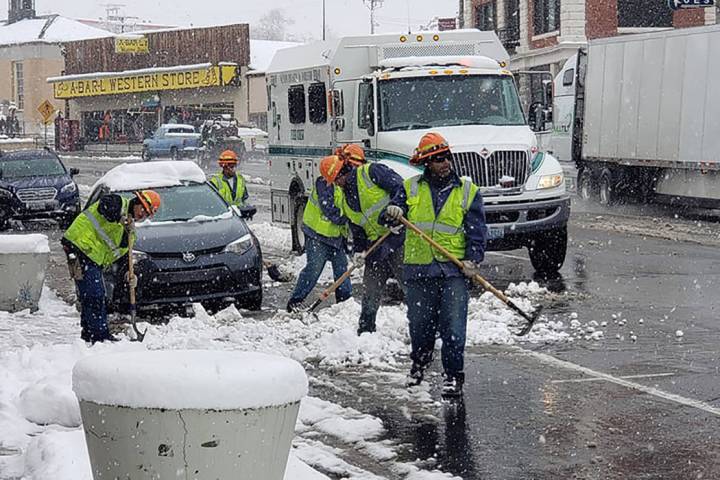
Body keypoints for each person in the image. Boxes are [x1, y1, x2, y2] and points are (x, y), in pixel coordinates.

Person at [384, 132, 487, 397]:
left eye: (446, 158)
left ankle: (453, 376)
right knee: (420, 326)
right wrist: (394, 213)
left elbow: (477, 230)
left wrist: (473, 260)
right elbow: (393, 215)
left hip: (452, 271)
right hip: (418, 271)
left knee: (453, 328)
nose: (444, 163)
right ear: (427, 163)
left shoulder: (467, 191)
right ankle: (419, 363)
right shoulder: (410, 188)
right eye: (438, 159)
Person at [321, 144, 406, 336]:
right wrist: (358, 251)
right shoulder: (344, 199)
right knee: (371, 292)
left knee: (411, 287)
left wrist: (397, 211)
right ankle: (366, 332)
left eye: (337, 179)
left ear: (345, 170)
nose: (337, 184)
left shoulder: (372, 172)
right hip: (375, 248)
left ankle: (428, 327)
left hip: (399, 239)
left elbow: (401, 188)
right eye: (334, 182)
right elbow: (357, 227)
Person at [62, 190, 161, 344]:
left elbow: (121, 257)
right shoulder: (119, 203)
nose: (143, 215)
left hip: (92, 257)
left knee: (91, 295)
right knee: (95, 295)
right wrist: (119, 218)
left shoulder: (130, 233)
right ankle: (100, 336)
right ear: (137, 202)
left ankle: (89, 334)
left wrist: (130, 273)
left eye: (147, 214)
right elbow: (105, 206)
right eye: (143, 210)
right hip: (78, 247)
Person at [285, 149, 362, 312]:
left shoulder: (346, 183)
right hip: (317, 235)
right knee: (314, 268)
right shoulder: (323, 183)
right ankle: (295, 301)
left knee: (342, 269)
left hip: (335, 236)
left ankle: (344, 302)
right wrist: (347, 218)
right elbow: (330, 210)